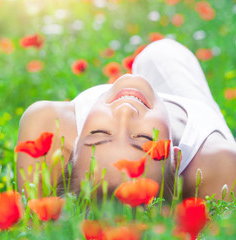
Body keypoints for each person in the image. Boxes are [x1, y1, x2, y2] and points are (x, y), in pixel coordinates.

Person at [16, 39, 236, 201]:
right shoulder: (221, 164)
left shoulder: (46, 122)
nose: (125, 112)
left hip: (148, 111)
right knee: (162, 53)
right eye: (144, 137)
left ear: (72, 146)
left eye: (99, 133)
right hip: (192, 118)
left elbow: (34, 223)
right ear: (175, 160)